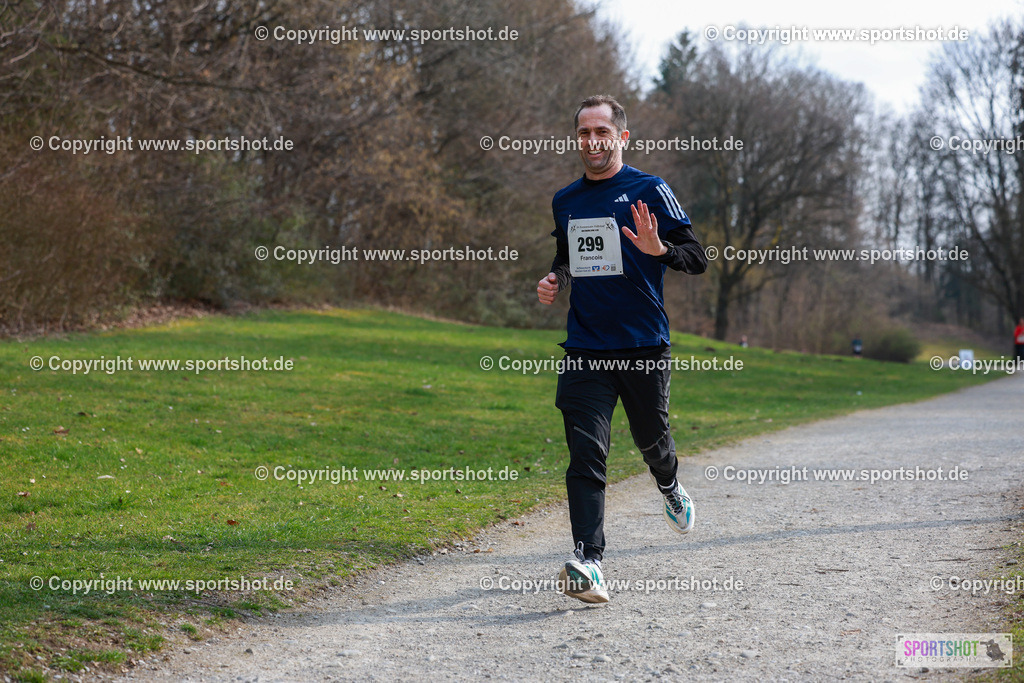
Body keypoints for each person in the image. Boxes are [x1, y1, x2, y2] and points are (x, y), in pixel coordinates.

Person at [536, 95, 707, 604]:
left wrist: (662, 251)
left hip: (643, 346)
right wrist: (555, 278)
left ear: (622, 137)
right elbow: (566, 257)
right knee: (586, 451)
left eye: (601, 132)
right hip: (587, 346)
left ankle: (669, 484)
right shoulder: (565, 200)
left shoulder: (650, 189)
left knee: (651, 436)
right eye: (584, 133)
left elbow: (697, 258)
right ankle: (589, 561)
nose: (592, 142)